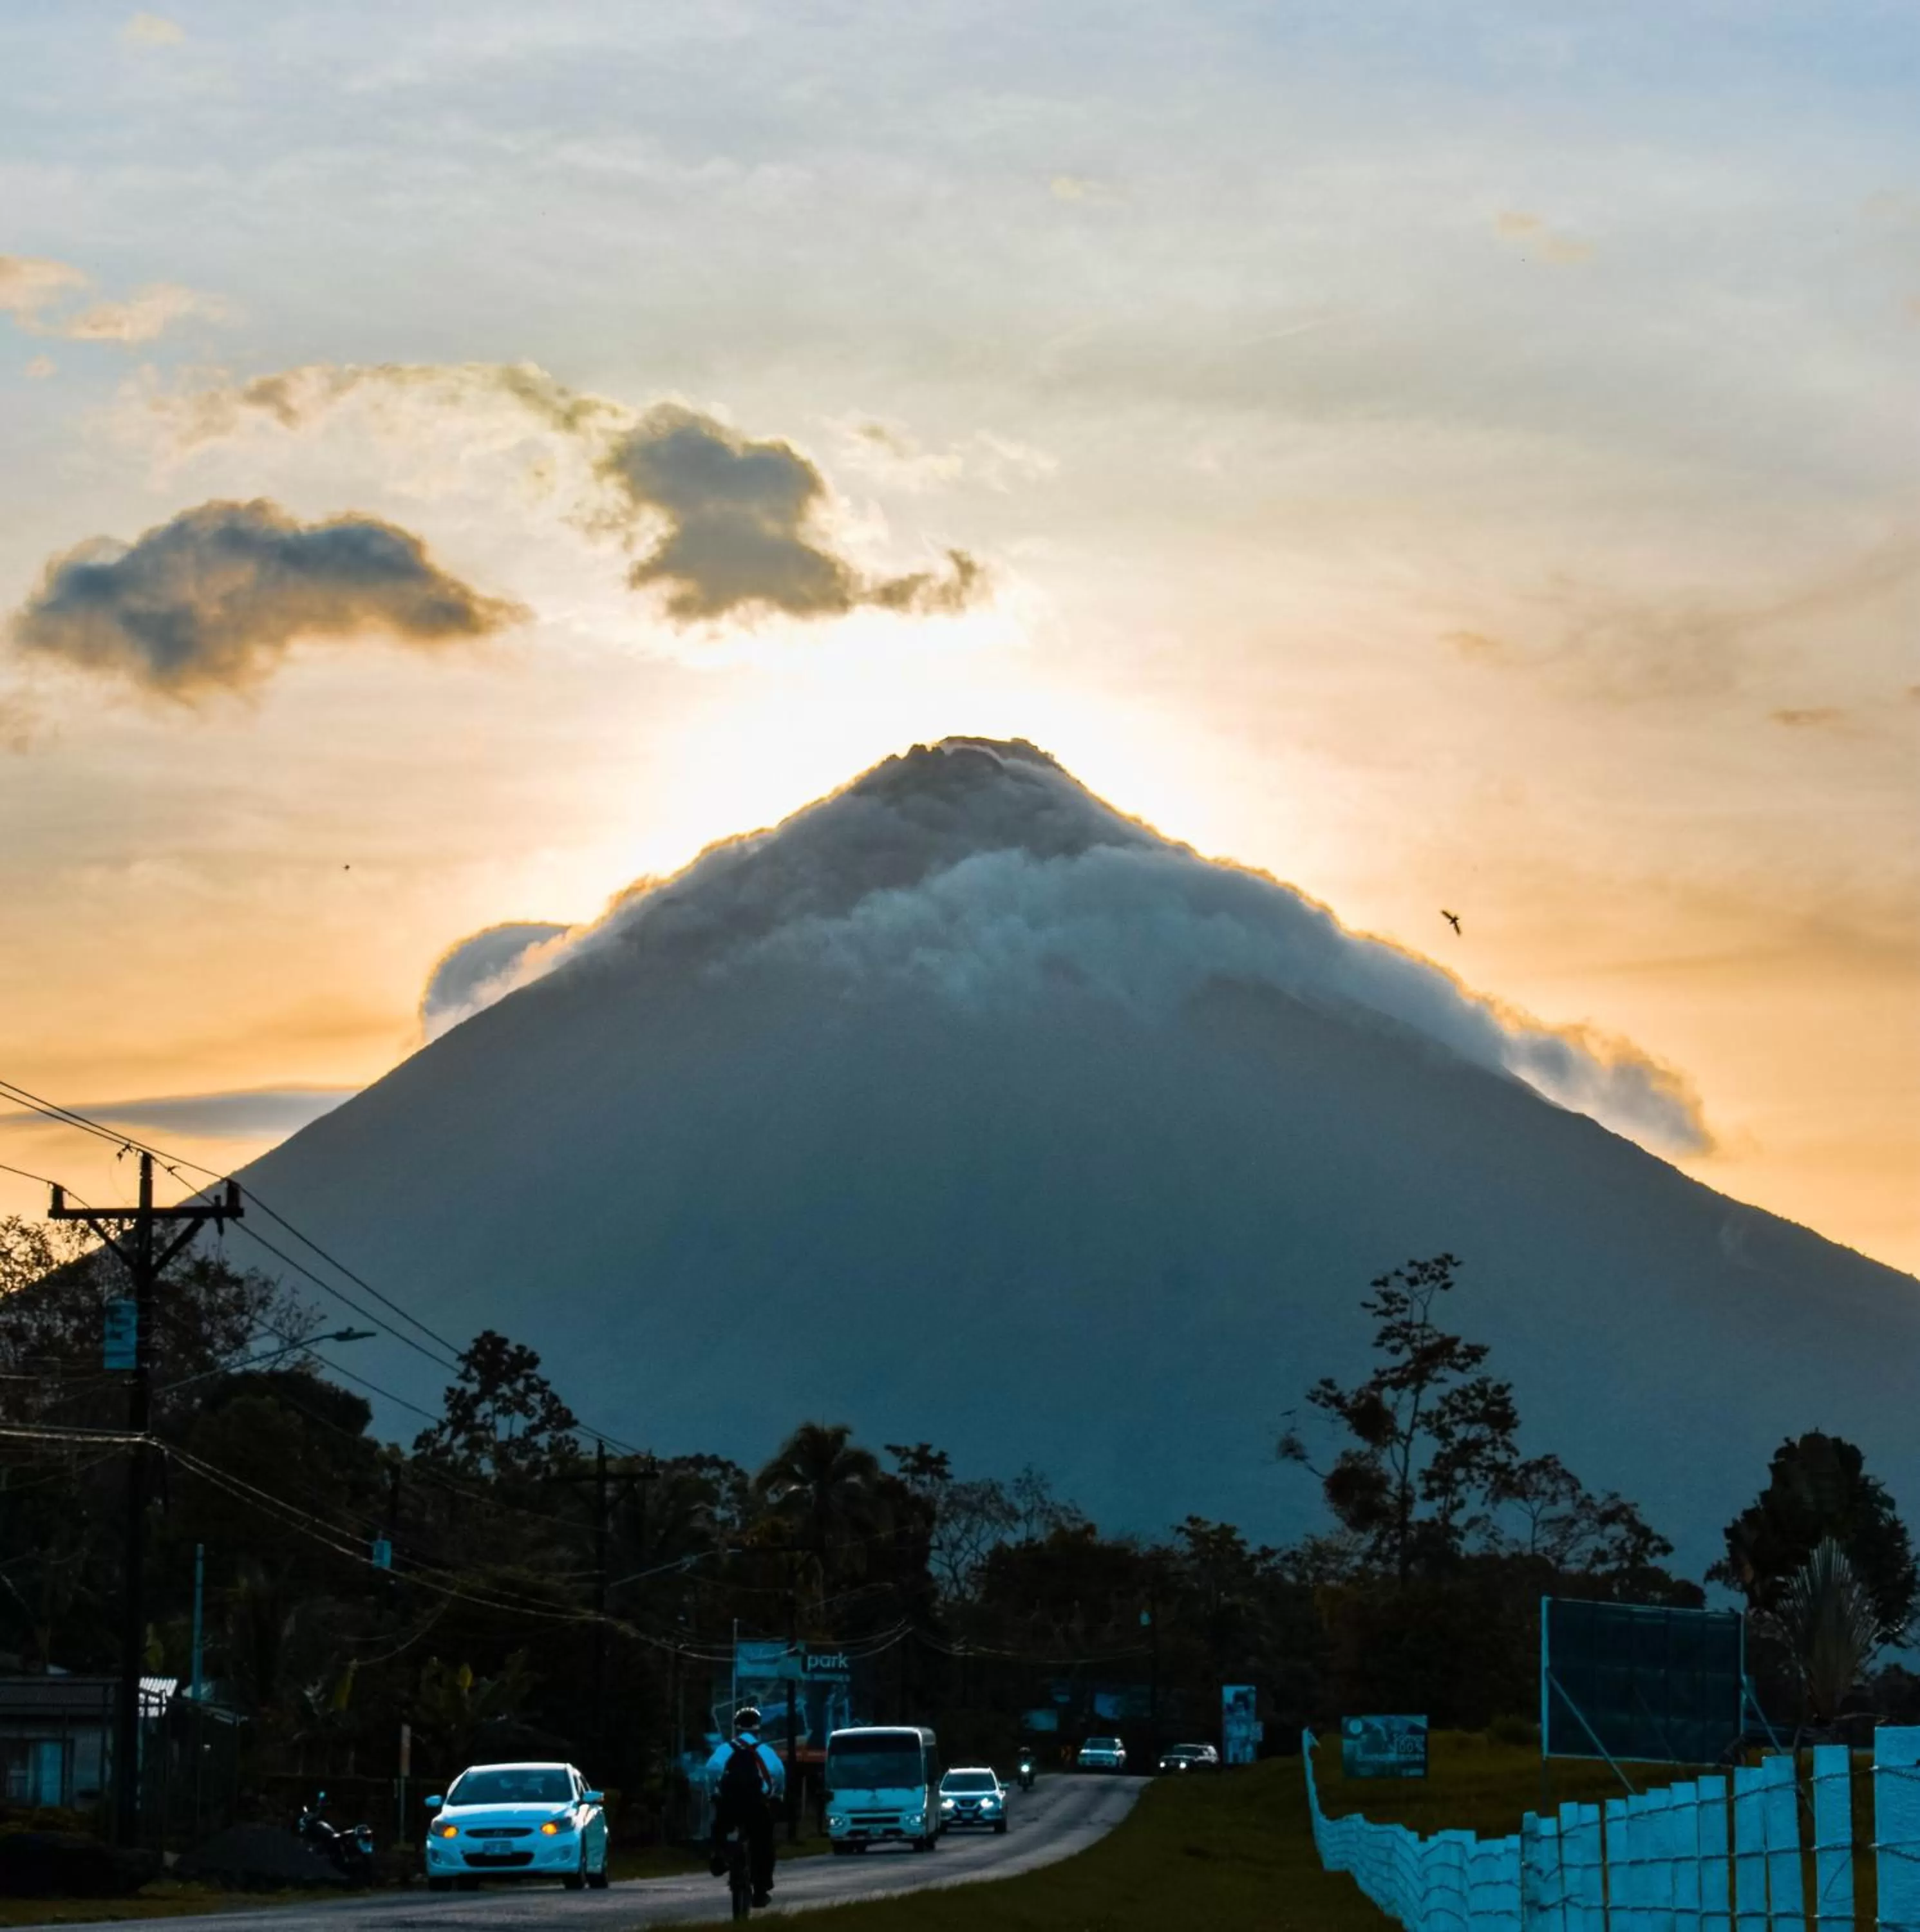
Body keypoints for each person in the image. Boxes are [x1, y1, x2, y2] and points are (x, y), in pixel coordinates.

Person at [706, 1704, 786, 1908]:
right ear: (758, 1728)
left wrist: (713, 1795)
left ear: (736, 1728)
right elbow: (779, 1776)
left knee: (719, 1827)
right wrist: (776, 1797)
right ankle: (760, 1890)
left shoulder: (724, 1750)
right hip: (755, 1805)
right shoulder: (766, 1752)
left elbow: (712, 1772)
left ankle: (718, 1855)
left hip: (730, 1804)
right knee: (763, 1843)